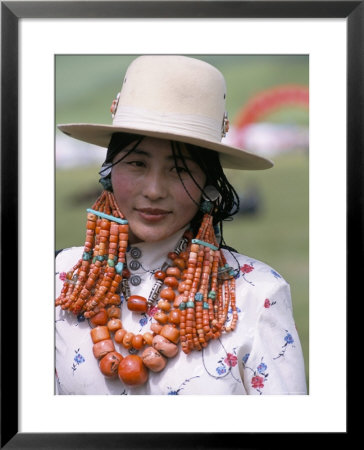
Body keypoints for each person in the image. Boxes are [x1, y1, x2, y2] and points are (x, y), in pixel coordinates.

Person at [55, 55, 307, 395]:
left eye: (180, 169)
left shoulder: (258, 294)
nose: (154, 190)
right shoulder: (60, 281)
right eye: (137, 163)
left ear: (208, 182)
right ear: (109, 171)